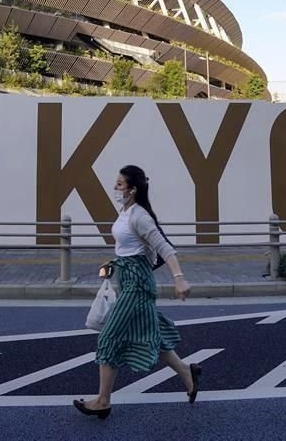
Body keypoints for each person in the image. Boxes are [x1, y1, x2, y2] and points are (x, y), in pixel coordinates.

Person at [73, 165, 201, 419]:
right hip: (127, 281)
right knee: (153, 333)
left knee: (109, 337)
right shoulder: (126, 210)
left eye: (119, 185)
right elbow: (129, 247)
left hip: (137, 286)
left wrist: (179, 279)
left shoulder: (139, 216)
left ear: (132, 190)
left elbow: (165, 247)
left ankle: (102, 401)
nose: (115, 188)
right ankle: (188, 372)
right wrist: (115, 264)